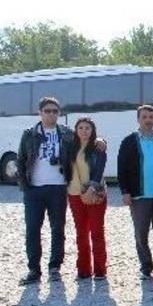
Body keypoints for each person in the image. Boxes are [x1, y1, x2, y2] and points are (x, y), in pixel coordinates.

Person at [17, 97, 77, 285]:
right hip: (34, 189)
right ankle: (34, 270)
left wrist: (100, 141)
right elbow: (20, 160)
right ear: (40, 113)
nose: (51, 114)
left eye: (55, 111)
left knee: (57, 229)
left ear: (59, 113)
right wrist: (25, 186)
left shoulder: (66, 133)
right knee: (32, 229)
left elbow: (84, 145)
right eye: (47, 111)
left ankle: (54, 267)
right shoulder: (29, 134)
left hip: (58, 187)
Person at [118, 105, 153, 280]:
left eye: (151, 117)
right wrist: (125, 191)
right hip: (138, 196)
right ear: (138, 119)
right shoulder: (129, 141)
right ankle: (145, 266)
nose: (148, 120)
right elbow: (122, 169)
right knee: (141, 233)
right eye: (145, 117)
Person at [65, 117, 108, 280]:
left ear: (93, 131)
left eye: (87, 128)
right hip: (74, 194)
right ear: (76, 130)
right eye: (81, 128)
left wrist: (91, 188)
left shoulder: (98, 148)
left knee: (97, 232)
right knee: (81, 233)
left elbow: (99, 171)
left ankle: (100, 269)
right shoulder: (70, 147)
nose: (84, 131)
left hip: (93, 193)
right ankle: (83, 269)